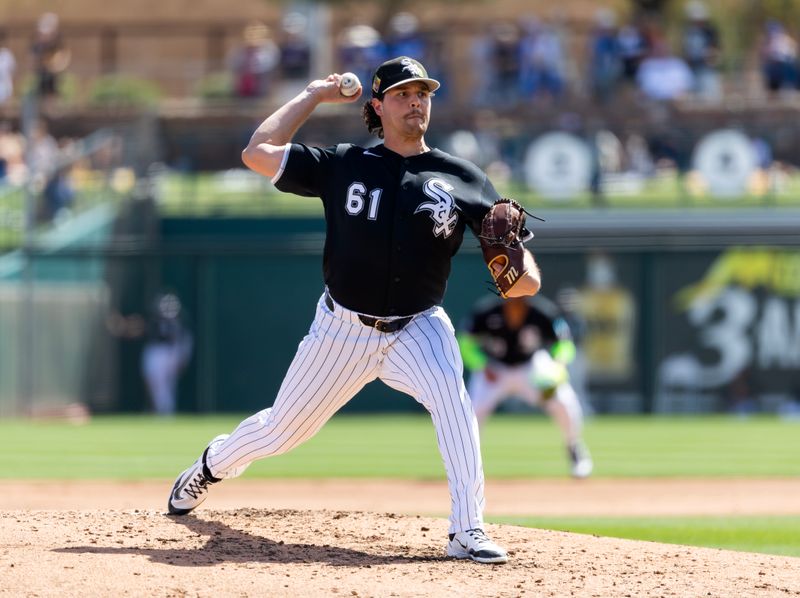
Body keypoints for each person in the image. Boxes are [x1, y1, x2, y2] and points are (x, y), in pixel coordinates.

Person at [166, 55, 542, 565]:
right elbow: (257, 152)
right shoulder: (344, 163)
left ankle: (466, 529)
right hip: (342, 328)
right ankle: (210, 465)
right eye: (404, 94)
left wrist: (520, 267)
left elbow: (524, 279)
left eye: (423, 93)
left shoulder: (464, 178)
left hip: (419, 326)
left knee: (455, 404)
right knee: (281, 431)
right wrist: (314, 96)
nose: (416, 102)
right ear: (378, 106)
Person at [458, 295, 592, 479]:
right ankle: (465, 464)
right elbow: (466, 343)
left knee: (563, 401)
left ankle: (574, 448)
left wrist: (559, 362)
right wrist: (481, 364)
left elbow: (564, 344)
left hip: (531, 369)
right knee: (472, 413)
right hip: (494, 370)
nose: (517, 297)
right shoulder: (486, 312)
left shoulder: (543, 312)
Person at [141, 292, 193, 416]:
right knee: (155, 383)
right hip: (156, 352)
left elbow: (184, 341)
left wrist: (181, 358)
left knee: (165, 385)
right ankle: (160, 410)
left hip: (167, 353)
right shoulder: (155, 321)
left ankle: (165, 412)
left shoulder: (179, 322)